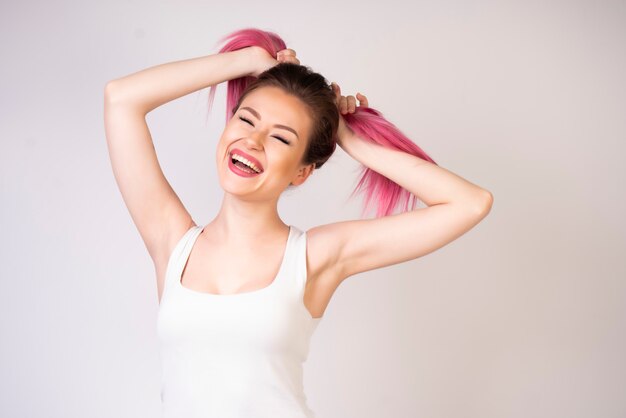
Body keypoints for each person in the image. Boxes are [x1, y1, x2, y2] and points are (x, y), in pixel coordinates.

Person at [104, 31, 493, 418]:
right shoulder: (173, 243)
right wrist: (248, 61)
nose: (253, 141)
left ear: (303, 172)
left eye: (281, 138)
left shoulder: (314, 257)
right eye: (246, 120)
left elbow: (470, 204)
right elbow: (120, 99)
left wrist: (352, 140)